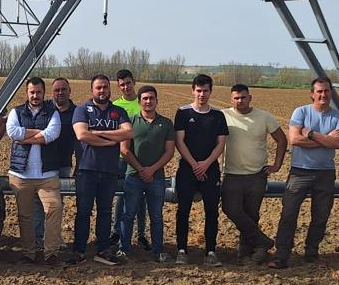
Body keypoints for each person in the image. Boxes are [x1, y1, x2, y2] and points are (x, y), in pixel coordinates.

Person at [271, 78, 339, 268]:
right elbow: (295, 140)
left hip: (325, 172)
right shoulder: (301, 112)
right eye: (319, 91)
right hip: (300, 171)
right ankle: (282, 254)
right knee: (289, 213)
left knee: (321, 215)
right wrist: (326, 139)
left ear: (331, 93)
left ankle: (311, 252)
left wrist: (312, 134)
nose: (323, 95)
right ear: (312, 93)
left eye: (327, 91)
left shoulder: (338, 116)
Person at [220, 84, 287, 264]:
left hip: (256, 174)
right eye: (236, 98)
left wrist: (277, 165)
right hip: (232, 173)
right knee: (230, 208)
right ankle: (263, 242)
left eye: (243, 97)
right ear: (231, 99)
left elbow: (281, 140)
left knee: (251, 214)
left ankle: (246, 253)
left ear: (250, 98)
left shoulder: (264, 117)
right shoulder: (223, 116)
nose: (240, 101)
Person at [71, 74, 134, 265]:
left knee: (105, 212)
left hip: (109, 170)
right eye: (98, 87)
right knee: (83, 211)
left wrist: (100, 133)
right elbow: (82, 135)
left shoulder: (118, 111)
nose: (102, 91)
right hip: (86, 169)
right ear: (92, 90)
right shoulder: (82, 110)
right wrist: (111, 141)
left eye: (105, 87)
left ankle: (103, 250)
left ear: (110, 89)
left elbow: (129, 132)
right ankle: (79, 250)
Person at [6, 77, 64, 266]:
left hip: (47, 175)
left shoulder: (52, 112)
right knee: (25, 216)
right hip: (21, 175)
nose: (35, 95)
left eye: (39, 92)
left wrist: (26, 136)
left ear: (44, 92)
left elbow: (53, 134)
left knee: (54, 209)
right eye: (32, 92)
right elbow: (13, 133)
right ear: (27, 93)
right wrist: (39, 133)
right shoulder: (16, 112)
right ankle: (28, 254)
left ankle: (51, 254)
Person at [173, 74, 229, 267]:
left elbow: (220, 144)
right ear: (193, 91)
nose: (202, 94)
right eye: (198, 90)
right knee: (183, 210)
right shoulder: (183, 113)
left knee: (212, 211)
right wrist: (195, 164)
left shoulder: (218, 116)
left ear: (210, 91)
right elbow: (180, 141)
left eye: (205, 91)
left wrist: (205, 163)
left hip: (210, 170)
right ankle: (181, 250)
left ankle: (211, 251)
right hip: (187, 170)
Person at [119, 85, 176, 262]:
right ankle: (124, 249)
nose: (148, 101)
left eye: (152, 98)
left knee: (156, 216)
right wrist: (141, 169)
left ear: (156, 101)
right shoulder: (130, 122)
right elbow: (124, 149)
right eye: (145, 98)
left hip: (156, 178)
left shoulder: (166, 123)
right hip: (133, 176)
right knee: (128, 214)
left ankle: (158, 251)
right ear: (139, 102)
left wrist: (151, 169)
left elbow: (169, 152)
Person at [34, 77, 77, 249]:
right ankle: (37, 238)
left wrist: (78, 166)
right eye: (57, 90)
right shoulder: (44, 108)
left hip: (63, 164)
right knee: (37, 202)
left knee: (56, 204)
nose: (60, 93)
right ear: (51, 93)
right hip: (41, 164)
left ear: (69, 91)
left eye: (63, 89)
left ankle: (54, 237)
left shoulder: (77, 112)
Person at [113, 69, 147, 250]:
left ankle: (141, 235)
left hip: (141, 159)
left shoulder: (142, 101)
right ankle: (117, 231)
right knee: (122, 196)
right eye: (122, 85)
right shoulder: (116, 106)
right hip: (121, 158)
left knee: (142, 199)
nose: (126, 87)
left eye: (128, 83)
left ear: (134, 82)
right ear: (118, 87)